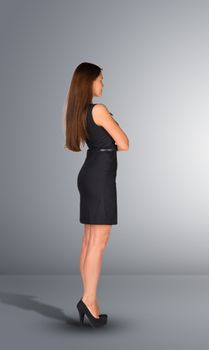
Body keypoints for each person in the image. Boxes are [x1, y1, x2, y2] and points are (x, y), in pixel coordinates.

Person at [64, 62, 129, 327]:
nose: (103, 85)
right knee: (98, 242)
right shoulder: (99, 110)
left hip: (90, 173)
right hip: (100, 177)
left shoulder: (78, 111)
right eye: (101, 80)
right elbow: (124, 143)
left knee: (89, 240)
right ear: (89, 82)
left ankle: (88, 299)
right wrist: (113, 122)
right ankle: (89, 300)